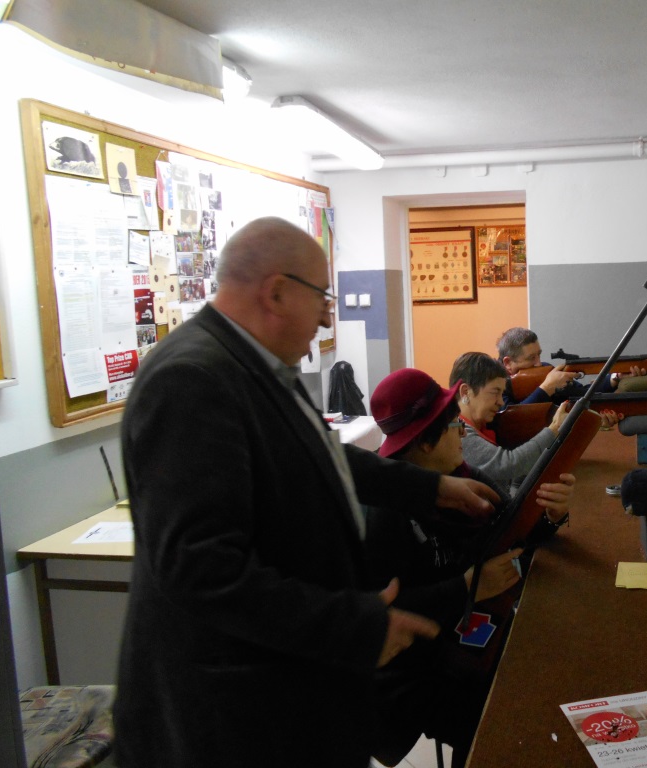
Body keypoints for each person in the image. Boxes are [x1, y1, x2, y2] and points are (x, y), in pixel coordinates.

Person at [113, 217, 499, 768]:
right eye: (322, 297)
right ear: (275, 292)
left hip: (280, 687)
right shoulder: (192, 379)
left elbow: (321, 457)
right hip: (231, 713)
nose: (326, 317)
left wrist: (432, 487)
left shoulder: (255, 363)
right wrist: (354, 624)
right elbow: (201, 570)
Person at [364, 368, 574, 768]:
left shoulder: (461, 476)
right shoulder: (383, 511)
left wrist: (551, 515)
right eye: (452, 426)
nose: (463, 433)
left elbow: (511, 533)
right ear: (424, 442)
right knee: (507, 721)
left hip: (464, 640)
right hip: (415, 670)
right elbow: (382, 613)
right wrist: (466, 586)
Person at [452, 351, 584, 496]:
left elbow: (510, 482)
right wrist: (554, 429)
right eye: (495, 392)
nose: (500, 402)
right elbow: (508, 465)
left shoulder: (483, 427)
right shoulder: (456, 433)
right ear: (466, 391)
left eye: (501, 394)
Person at [496, 326, 645, 408]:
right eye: (531, 358)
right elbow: (511, 419)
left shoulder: (545, 371)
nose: (539, 363)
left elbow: (583, 393)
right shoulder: (494, 383)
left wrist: (615, 377)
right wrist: (547, 388)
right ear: (508, 363)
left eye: (539, 355)